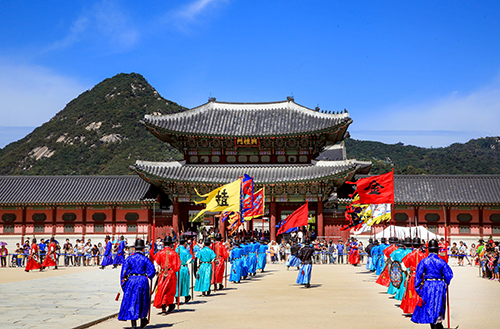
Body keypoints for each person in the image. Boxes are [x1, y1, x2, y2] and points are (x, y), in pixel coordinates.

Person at [411, 239, 453, 329]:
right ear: (437, 250)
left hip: (428, 285)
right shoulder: (442, 262)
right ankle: (437, 323)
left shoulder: (424, 261)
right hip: (439, 285)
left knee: (429, 306)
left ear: (428, 250)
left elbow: (418, 276)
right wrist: (445, 283)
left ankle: (433, 325)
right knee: (438, 305)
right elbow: (449, 275)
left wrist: (419, 290)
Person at [118, 239, 156, 329]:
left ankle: (133, 324)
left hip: (131, 280)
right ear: (143, 249)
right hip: (143, 280)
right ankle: (143, 320)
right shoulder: (145, 259)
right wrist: (152, 273)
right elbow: (151, 272)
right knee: (143, 300)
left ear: (134, 248)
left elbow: (123, 273)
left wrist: (124, 285)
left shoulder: (129, 259)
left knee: (132, 301)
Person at [153, 236, 180, 314]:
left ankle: (164, 306)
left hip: (162, 273)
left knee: (163, 289)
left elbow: (156, 264)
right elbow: (177, 266)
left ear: (163, 243)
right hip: (171, 273)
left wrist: (157, 271)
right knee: (170, 290)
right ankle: (168, 304)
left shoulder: (160, 253)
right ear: (171, 244)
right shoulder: (174, 253)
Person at [400, 237, 426, 314]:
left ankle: (412, 309)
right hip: (422, 277)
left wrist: (407, 274)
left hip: (413, 276)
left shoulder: (410, 255)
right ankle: (421, 309)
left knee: (412, 293)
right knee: (420, 293)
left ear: (413, 245)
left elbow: (403, 267)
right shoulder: (424, 255)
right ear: (420, 246)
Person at [175, 237, 193, 303]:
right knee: (185, 282)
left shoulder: (176, 250)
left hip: (177, 268)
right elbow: (191, 260)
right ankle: (186, 297)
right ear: (185, 243)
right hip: (184, 267)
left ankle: (177, 298)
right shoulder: (186, 251)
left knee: (177, 283)